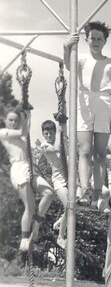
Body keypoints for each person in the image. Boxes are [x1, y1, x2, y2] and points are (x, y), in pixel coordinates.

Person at [63, 20, 111, 206]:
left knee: (101, 153)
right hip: (84, 101)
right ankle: (85, 190)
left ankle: (97, 191)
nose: (96, 42)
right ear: (87, 40)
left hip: (104, 103)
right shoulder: (80, 58)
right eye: (92, 38)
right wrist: (66, 47)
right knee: (84, 150)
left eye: (99, 38)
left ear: (105, 41)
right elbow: (68, 66)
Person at [1, 105, 54, 252]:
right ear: (6, 121)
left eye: (15, 120)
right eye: (10, 120)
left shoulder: (20, 134)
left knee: (49, 193)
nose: (13, 122)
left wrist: (27, 115)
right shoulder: (4, 133)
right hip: (18, 170)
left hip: (29, 168)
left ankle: (36, 223)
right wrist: (28, 115)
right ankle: (24, 239)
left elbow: (25, 131)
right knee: (29, 207)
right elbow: (23, 131)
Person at [38, 119, 70, 247]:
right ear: (43, 134)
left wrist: (62, 128)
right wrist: (62, 128)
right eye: (46, 133)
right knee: (69, 205)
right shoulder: (45, 146)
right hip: (59, 181)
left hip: (71, 179)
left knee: (76, 206)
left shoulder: (60, 142)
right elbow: (57, 149)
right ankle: (61, 237)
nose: (49, 136)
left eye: (51, 133)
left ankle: (60, 221)